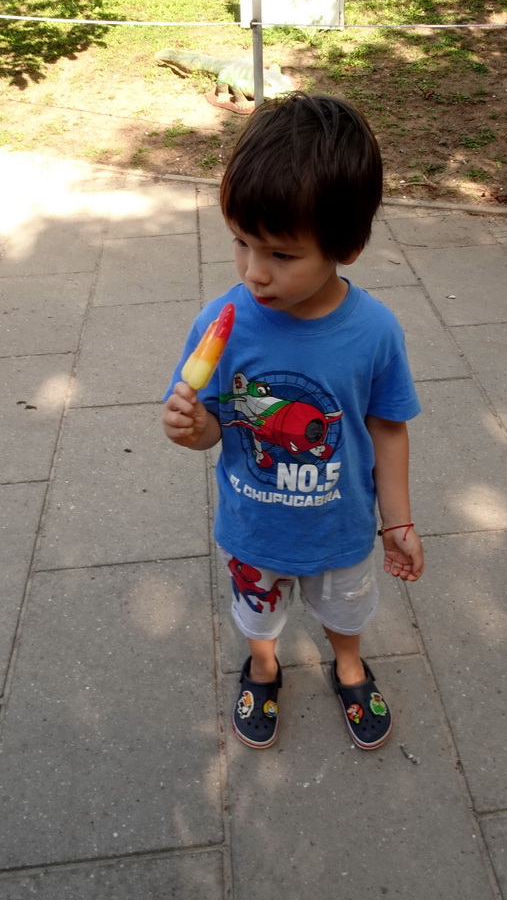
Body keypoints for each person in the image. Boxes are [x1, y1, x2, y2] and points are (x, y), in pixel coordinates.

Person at [162, 91, 423, 751]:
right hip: (253, 525)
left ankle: (349, 664)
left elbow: (388, 428)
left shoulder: (374, 333)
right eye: (242, 243)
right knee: (257, 611)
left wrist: (398, 522)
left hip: (341, 526)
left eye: (281, 254)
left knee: (346, 609)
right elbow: (217, 422)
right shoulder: (219, 324)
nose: (254, 272)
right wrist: (195, 429)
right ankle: (263, 665)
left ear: (348, 246)